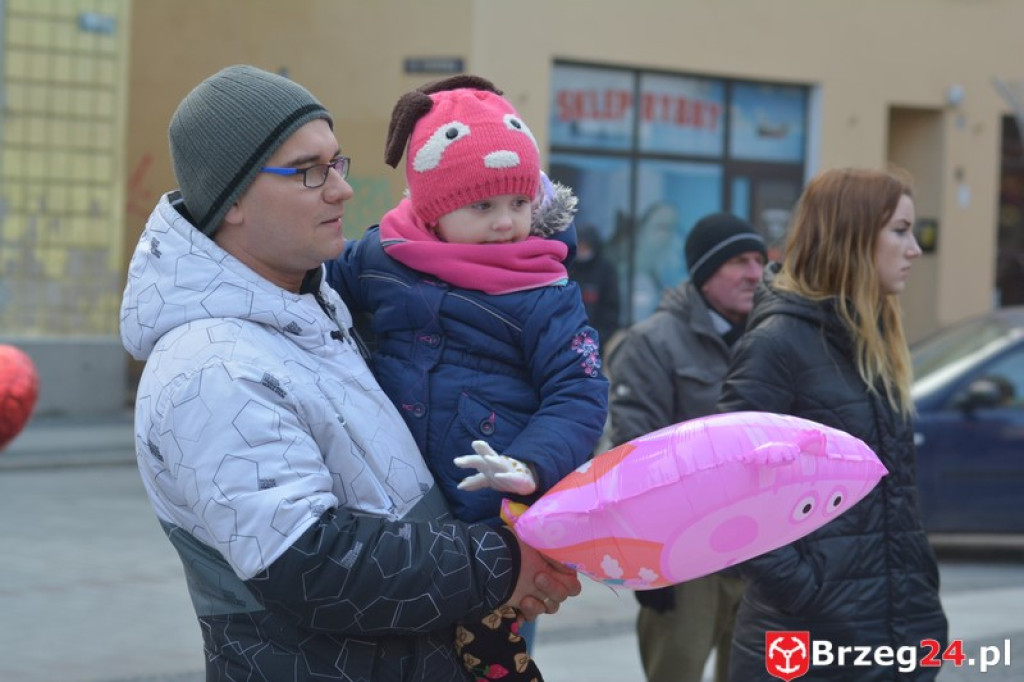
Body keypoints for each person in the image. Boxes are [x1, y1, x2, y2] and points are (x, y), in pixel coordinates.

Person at [118, 64, 581, 682]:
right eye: (309, 171)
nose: (340, 189)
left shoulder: (316, 306)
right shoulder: (211, 366)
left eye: (336, 163)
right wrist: (503, 563)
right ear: (232, 199)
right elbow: (312, 565)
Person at [325, 74, 609, 681]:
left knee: (490, 652)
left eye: (519, 204)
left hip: (491, 519)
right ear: (433, 209)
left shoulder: (544, 289)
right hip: (392, 513)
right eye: (483, 206)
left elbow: (580, 390)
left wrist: (532, 465)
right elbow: (311, 288)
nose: (507, 223)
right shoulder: (382, 256)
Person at [716, 167, 948, 680]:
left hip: (895, 633)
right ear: (852, 236)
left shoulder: (876, 341)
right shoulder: (777, 344)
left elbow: (894, 501)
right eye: (900, 231)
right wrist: (807, 592)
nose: (914, 250)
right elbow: (728, 491)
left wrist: (917, 589)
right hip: (809, 642)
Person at [606, 213, 766, 682]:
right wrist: (648, 564)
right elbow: (634, 461)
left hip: (763, 551)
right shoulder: (652, 343)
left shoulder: (770, 341)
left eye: (759, 261)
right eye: (739, 261)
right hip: (686, 557)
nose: (755, 273)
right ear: (705, 272)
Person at [572, 224, 621, 346]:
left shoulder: (605, 270)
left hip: (597, 341)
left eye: (585, 247)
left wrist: (599, 337)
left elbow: (611, 308)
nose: (582, 251)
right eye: (579, 247)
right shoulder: (568, 268)